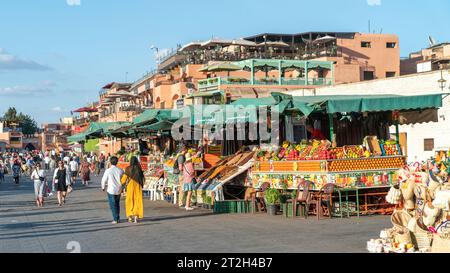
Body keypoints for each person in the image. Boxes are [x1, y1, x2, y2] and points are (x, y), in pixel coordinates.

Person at [120, 156, 144, 223]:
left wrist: (121, 183)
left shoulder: (127, 169)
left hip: (130, 186)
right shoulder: (139, 168)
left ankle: (130, 216)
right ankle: (136, 216)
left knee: (129, 200)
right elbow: (142, 178)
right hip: (138, 186)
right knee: (137, 200)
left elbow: (124, 179)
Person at [101, 156, 124, 224]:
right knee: (117, 204)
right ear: (117, 162)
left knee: (112, 204)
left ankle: (115, 219)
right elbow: (123, 179)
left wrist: (103, 187)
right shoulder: (120, 170)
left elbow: (104, 179)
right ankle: (117, 217)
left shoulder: (108, 170)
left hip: (111, 189)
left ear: (110, 162)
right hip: (119, 189)